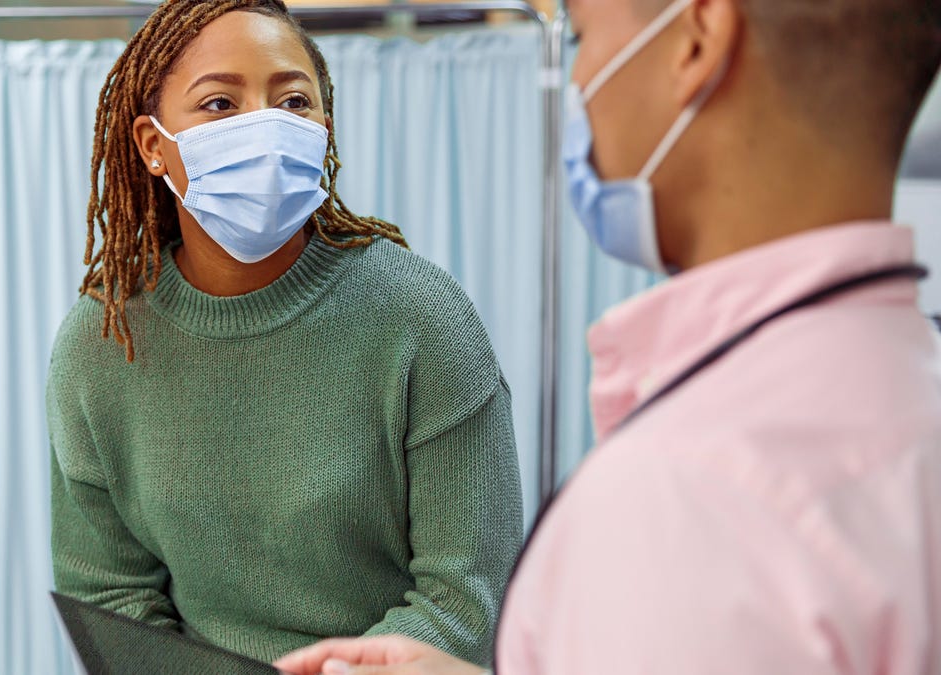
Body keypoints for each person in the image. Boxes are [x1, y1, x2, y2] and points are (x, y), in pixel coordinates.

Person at [275, 0, 941, 672]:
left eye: (585, 37)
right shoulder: (910, 395)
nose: (582, 81)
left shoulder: (687, 499)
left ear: (697, 41)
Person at [46, 0, 523, 665]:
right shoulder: (101, 345)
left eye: (294, 102)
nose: (266, 127)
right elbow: (109, 595)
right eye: (219, 104)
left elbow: (469, 595)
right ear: (154, 145)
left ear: (324, 128)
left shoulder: (423, 319)